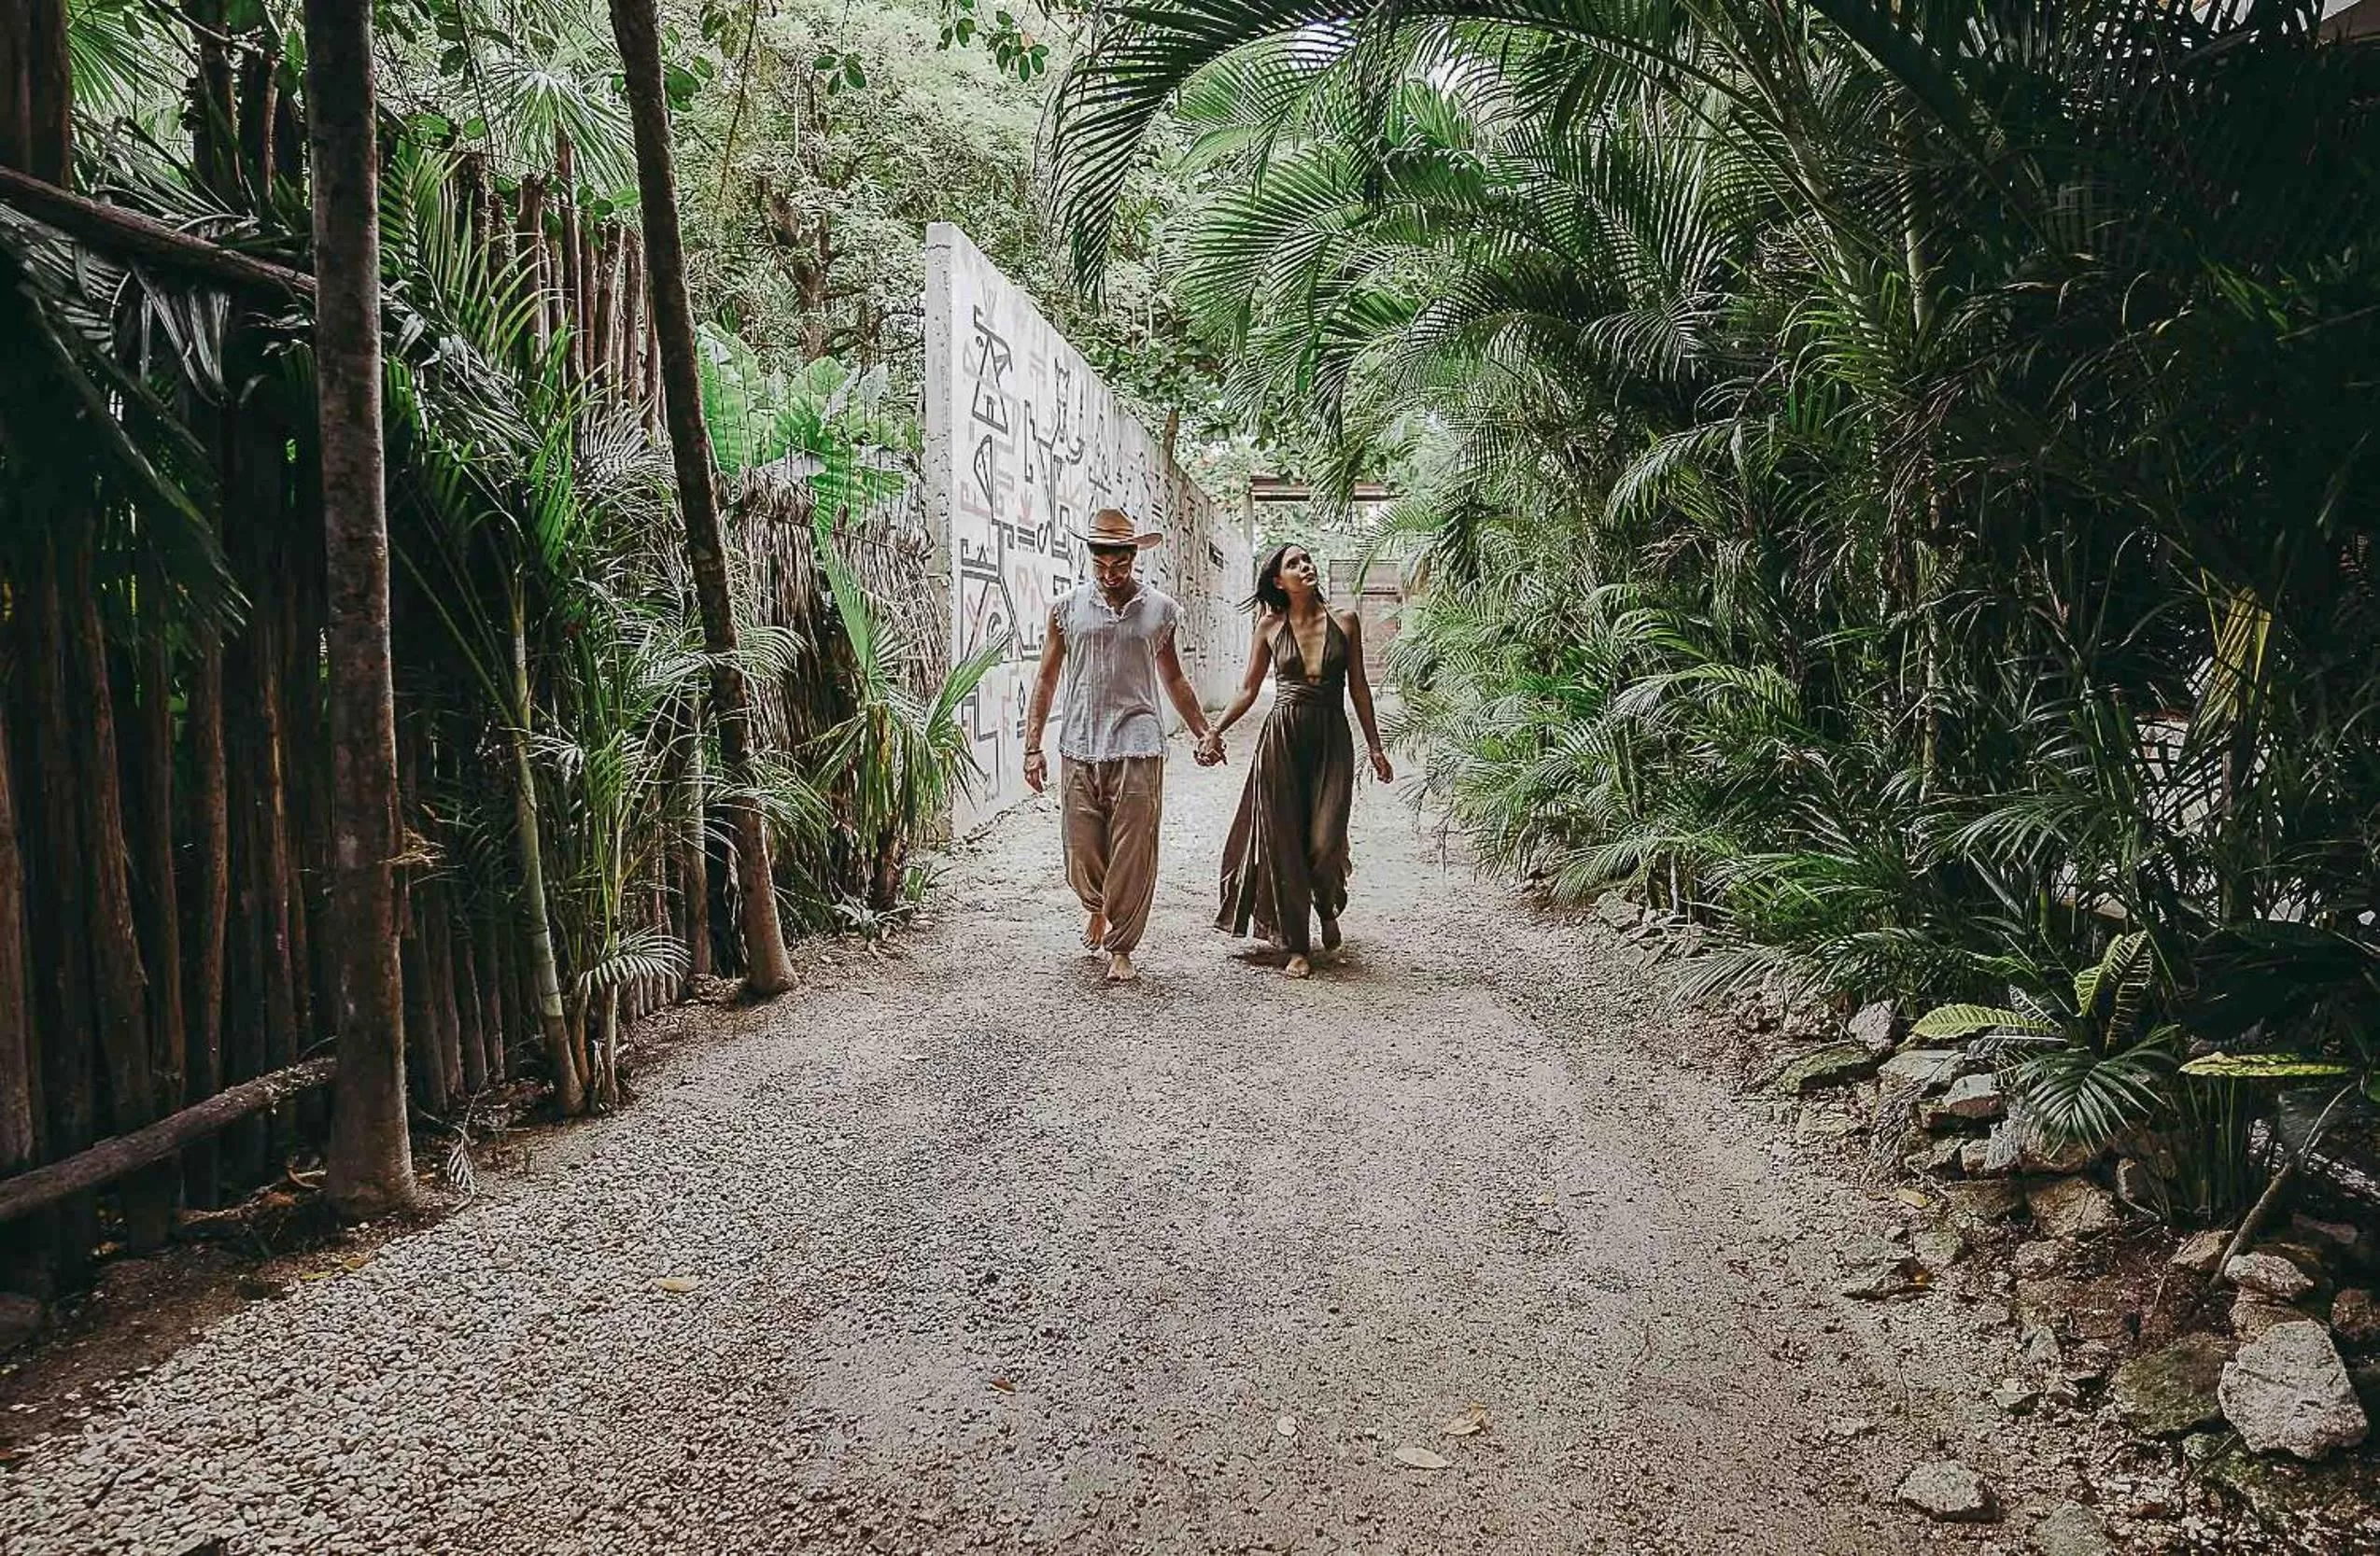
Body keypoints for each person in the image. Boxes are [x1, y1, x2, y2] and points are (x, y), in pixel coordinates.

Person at [1021, 506, 1222, 983]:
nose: (1111, 575)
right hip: (1079, 742)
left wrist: (1203, 731)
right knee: (1081, 849)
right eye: (1102, 566)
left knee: (1134, 849)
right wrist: (1033, 745)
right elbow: (1047, 678)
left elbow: (1172, 677)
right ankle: (1096, 904)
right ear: (1092, 559)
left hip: (1138, 742)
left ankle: (1122, 945)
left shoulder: (1160, 611)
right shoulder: (1066, 609)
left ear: (1134, 556)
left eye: (1120, 565)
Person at [1201, 543, 1392, 977]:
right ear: (1277, 580)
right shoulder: (1269, 625)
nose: (1305, 567)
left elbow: (1359, 687)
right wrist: (1215, 730)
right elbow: (1249, 690)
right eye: (1293, 564)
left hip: (1330, 737)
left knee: (1325, 840)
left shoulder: (1346, 621)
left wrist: (1375, 747)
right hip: (1282, 738)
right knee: (1284, 842)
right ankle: (1296, 946)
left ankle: (1326, 904)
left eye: (1307, 560)